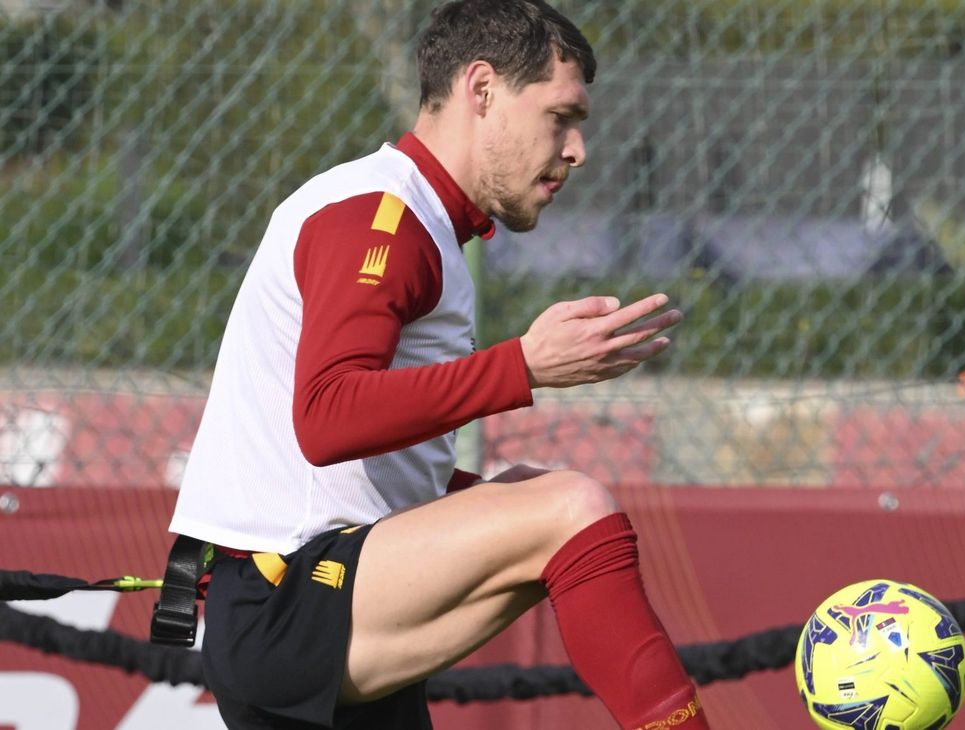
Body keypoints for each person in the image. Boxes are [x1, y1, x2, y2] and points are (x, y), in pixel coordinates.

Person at [169, 1, 712, 728]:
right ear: (481, 90)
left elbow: (342, 462)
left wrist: (479, 498)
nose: (578, 148)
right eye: (560, 116)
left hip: (297, 596)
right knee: (570, 509)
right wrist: (524, 365)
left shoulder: (408, 215)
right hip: (285, 600)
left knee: (529, 497)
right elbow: (326, 419)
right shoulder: (380, 217)